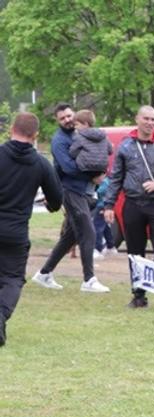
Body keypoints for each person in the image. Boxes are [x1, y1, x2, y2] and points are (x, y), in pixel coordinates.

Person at [102, 105, 154, 311]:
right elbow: (116, 177)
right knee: (135, 251)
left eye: (153, 119)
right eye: (145, 118)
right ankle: (138, 294)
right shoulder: (126, 146)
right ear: (137, 119)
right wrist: (109, 204)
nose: (149, 122)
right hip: (133, 203)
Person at [32, 103, 109, 293]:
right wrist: (92, 176)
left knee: (70, 236)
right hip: (70, 190)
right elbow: (68, 168)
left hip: (86, 191)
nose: (67, 120)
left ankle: (44, 273)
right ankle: (89, 280)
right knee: (88, 231)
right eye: (62, 118)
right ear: (58, 121)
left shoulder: (80, 134)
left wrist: (99, 174)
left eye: (69, 116)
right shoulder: (59, 141)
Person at [0, 112, 63, 346]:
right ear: (35, 135)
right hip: (16, 231)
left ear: (11, 129)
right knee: (12, 279)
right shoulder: (41, 164)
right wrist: (48, 204)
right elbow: (57, 200)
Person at [68, 109, 111, 176]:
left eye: (76, 124)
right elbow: (110, 151)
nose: (75, 127)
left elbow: (72, 152)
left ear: (85, 124)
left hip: (85, 168)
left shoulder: (79, 136)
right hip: (101, 168)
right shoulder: (103, 136)